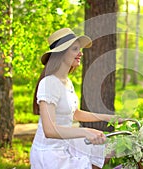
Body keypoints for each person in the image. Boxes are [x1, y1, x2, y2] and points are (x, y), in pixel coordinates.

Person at [30, 28, 121, 169]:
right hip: (50, 155)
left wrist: (108, 117)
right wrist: (86, 132)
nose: (81, 53)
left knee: (106, 149)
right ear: (61, 53)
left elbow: (75, 113)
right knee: (99, 152)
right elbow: (50, 130)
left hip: (65, 144)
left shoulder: (66, 82)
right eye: (75, 49)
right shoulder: (48, 83)